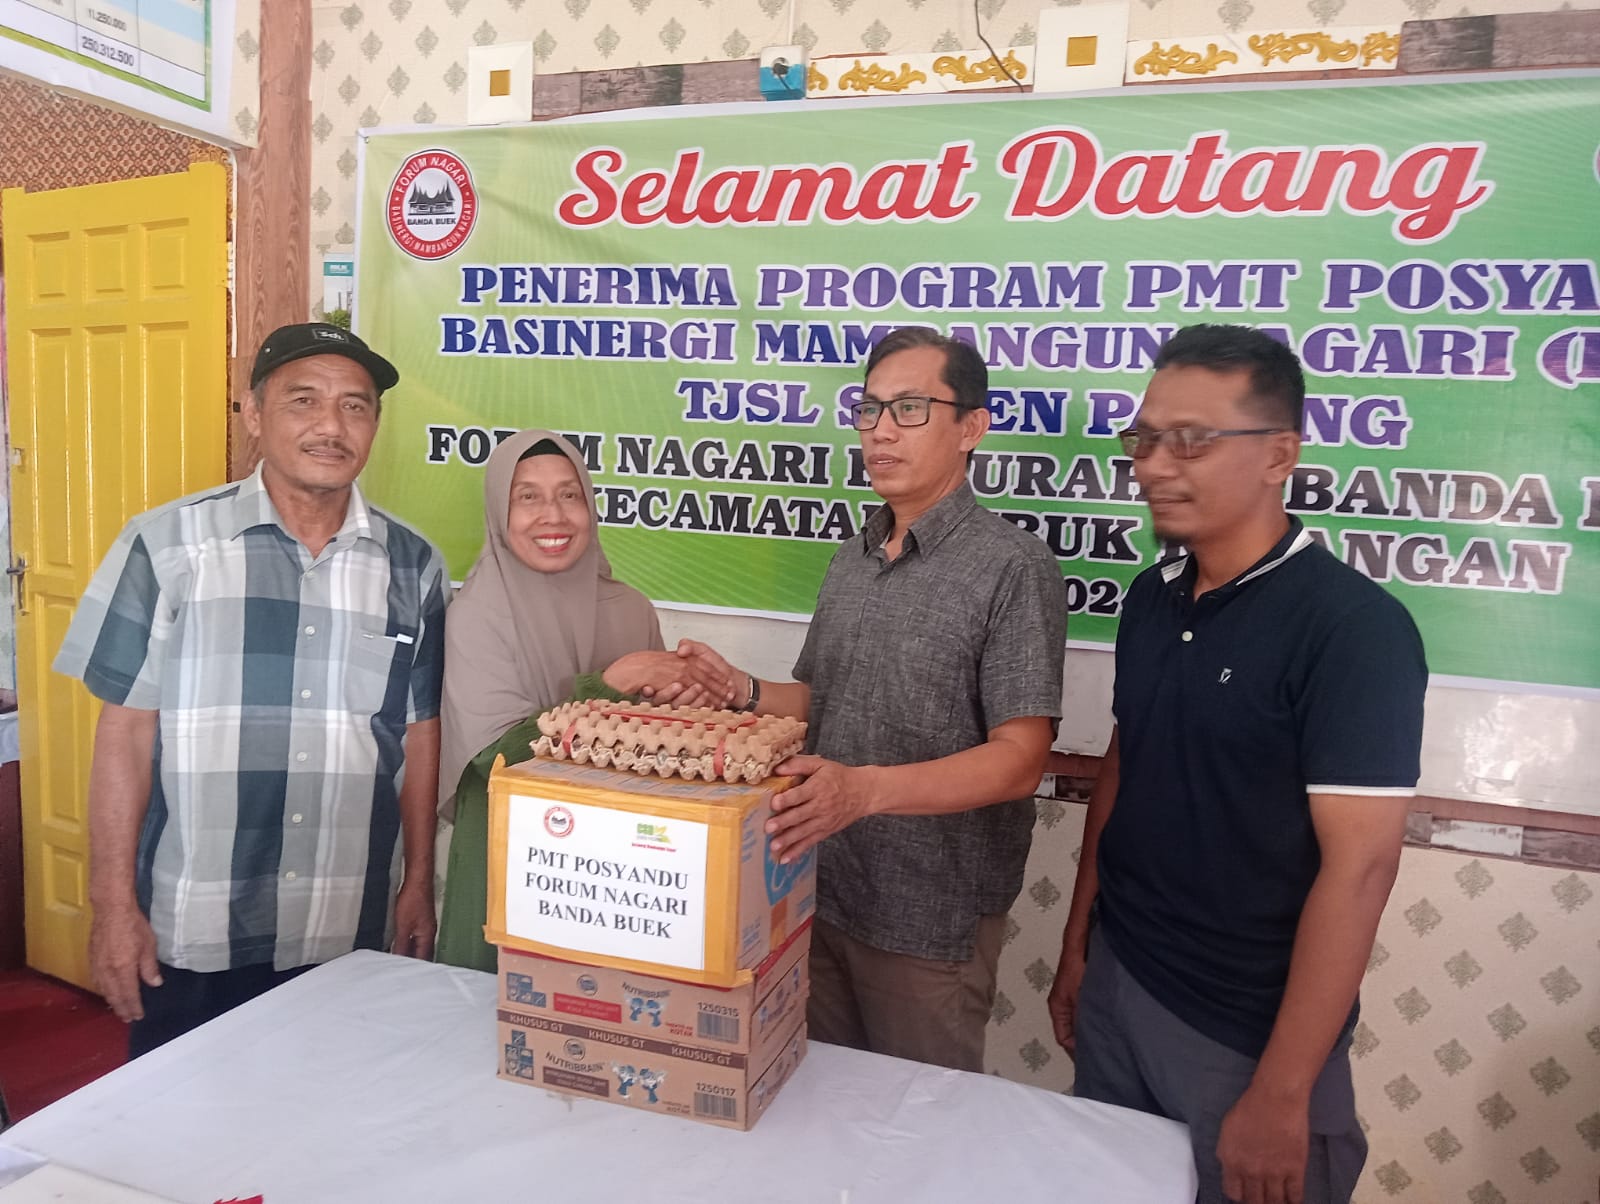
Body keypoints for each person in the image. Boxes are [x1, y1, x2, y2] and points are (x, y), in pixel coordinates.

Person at [1047, 324, 1427, 1204]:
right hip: (1121, 983)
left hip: (1245, 1035)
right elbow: (1126, 769)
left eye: (1190, 440)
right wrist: (1078, 947)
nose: (1153, 465)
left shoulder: (1352, 629)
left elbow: (1362, 869)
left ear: (1279, 456)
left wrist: (1284, 1092)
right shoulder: (1151, 598)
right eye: (1144, 439)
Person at [679, 327, 1068, 1071]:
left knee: (919, 1125)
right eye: (869, 409)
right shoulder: (853, 558)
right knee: (822, 1106)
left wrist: (862, 792)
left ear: (971, 428)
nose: (881, 431)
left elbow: (1020, 761)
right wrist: (742, 691)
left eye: (910, 409)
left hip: (927, 920)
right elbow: (823, 700)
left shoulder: (1012, 567)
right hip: (820, 889)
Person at [55, 322, 449, 1057]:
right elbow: (126, 732)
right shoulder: (166, 547)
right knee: (179, 1122)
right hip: (194, 927)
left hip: (346, 925)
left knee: (335, 1118)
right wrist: (111, 904)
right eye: (304, 401)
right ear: (255, 414)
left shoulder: (414, 565)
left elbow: (418, 734)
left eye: (355, 406)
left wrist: (419, 882)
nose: (331, 426)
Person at [434, 430, 736, 971]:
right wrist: (608, 684)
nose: (553, 515)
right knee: (494, 1011)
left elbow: (656, 751)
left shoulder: (630, 610)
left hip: (617, 873)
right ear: (499, 513)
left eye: (569, 494)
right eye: (527, 497)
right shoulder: (476, 616)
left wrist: (690, 700)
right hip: (507, 861)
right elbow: (489, 759)